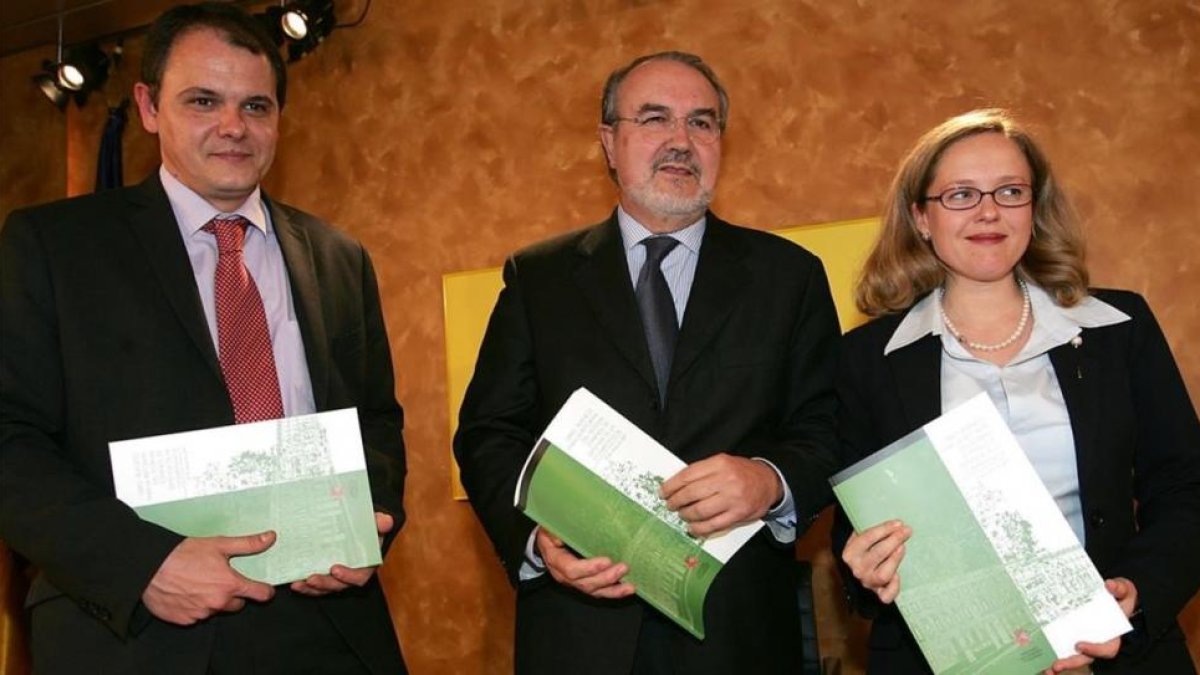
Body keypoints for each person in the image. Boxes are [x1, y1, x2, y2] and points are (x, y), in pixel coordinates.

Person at [0, 4, 407, 673]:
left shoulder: (339, 257)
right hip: (138, 631)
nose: (233, 127)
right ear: (149, 106)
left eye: (256, 105)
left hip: (328, 625)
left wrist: (373, 516)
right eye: (203, 100)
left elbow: (377, 423)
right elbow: (10, 438)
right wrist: (143, 563)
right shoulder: (52, 246)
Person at [453, 51, 840, 674]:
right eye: (654, 119)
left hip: (737, 632)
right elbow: (488, 432)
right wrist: (535, 537)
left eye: (702, 123)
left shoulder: (788, 277)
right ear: (610, 142)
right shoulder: (539, 279)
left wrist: (770, 480)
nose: (680, 142)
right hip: (581, 630)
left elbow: (827, 427)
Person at [834, 108, 1200, 674]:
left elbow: (1185, 487)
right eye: (960, 194)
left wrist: (1136, 590)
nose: (987, 211)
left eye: (1010, 191)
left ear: (1035, 208)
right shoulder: (865, 360)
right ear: (920, 218)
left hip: (1119, 654)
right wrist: (864, 567)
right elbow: (854, 537)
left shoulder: (1119, 328)